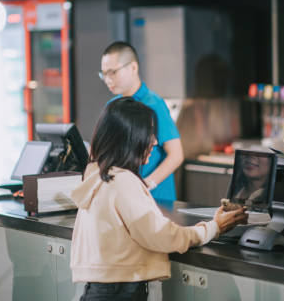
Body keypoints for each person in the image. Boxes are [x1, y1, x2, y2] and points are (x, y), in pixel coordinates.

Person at [70, 97, 247, 301]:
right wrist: (214, 227)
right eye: (149, 133)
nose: (154, 141)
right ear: (131, 138)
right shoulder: (123, 182)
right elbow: (164, 237)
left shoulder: (97, 177)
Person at [100, 42, 183, 202]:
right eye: (104, 74)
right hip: (123, 197)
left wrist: (147, 184)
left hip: (155, 199)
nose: (108, 80)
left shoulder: (154, 104)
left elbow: (176, 154)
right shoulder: (113, 107)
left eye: (113, 72)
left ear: (133, 68)